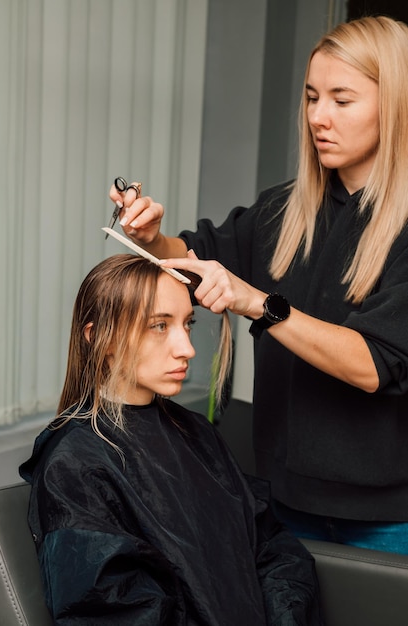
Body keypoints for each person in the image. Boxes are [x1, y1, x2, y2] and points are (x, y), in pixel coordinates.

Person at [109, 15, 408, 554]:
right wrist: (153, 239)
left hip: (389, 518)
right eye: (312, 97)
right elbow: (194, 260)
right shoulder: (284, 210)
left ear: (398, 105)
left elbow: (373, 365)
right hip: (284, 502)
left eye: (342, 100)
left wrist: (258, 304)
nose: (319, 117)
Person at [19, 254, 323, 625]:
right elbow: (116, 610)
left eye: (188, 324)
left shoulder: (196, 433)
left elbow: (272, 551)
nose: (188, 349)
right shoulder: (76, 465)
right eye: (159, 326)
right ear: (99, 336)